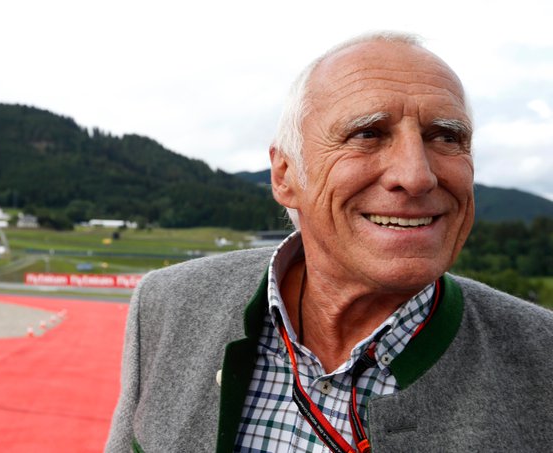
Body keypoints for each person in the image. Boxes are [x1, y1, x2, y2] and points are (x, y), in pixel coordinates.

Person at [105, 32, 553, 453]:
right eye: (368, 134)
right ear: (285, 176)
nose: (416, 175)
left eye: (446, 137)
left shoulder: (543, 361)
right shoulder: (167, 304)